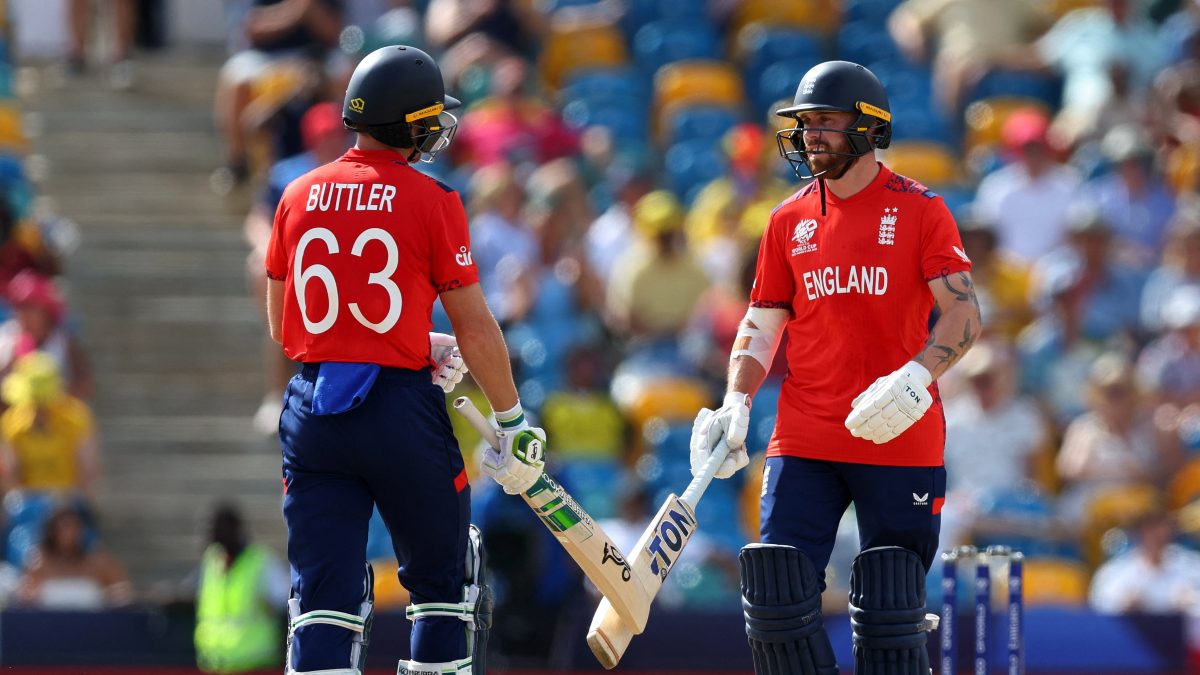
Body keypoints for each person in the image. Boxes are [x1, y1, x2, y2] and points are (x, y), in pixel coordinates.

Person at [686, 60, 981, 674]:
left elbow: (963, 315)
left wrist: (918, 375)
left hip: (898, 429)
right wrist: (736, 401)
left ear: (869, 127)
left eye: (826, 121)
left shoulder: (922, 209)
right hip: (806, 431)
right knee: (774, 594)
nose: (811, 134)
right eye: (805, 123)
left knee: (890, 614)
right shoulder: (785, 219)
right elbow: (761, 322)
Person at [264, 45, 548, 675]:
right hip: (399, 414)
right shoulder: (432, 198)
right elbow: (474, 327)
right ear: (412, 123)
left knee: (322, 595)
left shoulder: (296, 193)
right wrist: (510, 418)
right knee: (447, 581)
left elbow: (289, 328)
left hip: (313, 408)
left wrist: (413, 345)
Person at [194, 503, 290, 674]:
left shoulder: (261, 561)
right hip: (213, 663)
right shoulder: (211, 559)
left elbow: (284, 602)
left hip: (255, 664)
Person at [17, 503, 131, 609]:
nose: (70, 534)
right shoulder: (38, 562)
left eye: (75, 528)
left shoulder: (99, 562)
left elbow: (122, 591)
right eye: (64, 528)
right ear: (52, 531)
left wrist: (107, 596)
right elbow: (25, 593)